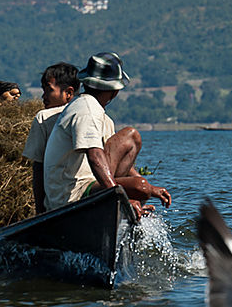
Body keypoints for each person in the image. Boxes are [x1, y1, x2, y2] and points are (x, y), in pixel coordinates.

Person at [42, 52, 171, 219]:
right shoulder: (87, 110)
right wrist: (120, 198)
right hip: (70, 196)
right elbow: (95, 156)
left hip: (86, 186)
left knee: (142, 185)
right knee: (140, 183)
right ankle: (118, 203)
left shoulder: (95, 112)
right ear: (114, 91)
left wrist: (152, 188)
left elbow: (111, 158)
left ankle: (128, 204)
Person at [21, 62, 80, 213]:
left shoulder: (44, 117)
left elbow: (38, 167)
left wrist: (40, 211)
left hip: (58, 200)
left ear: (68, 93)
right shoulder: (96, 116)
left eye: (49, 90)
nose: (43, 96)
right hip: (86, 194)